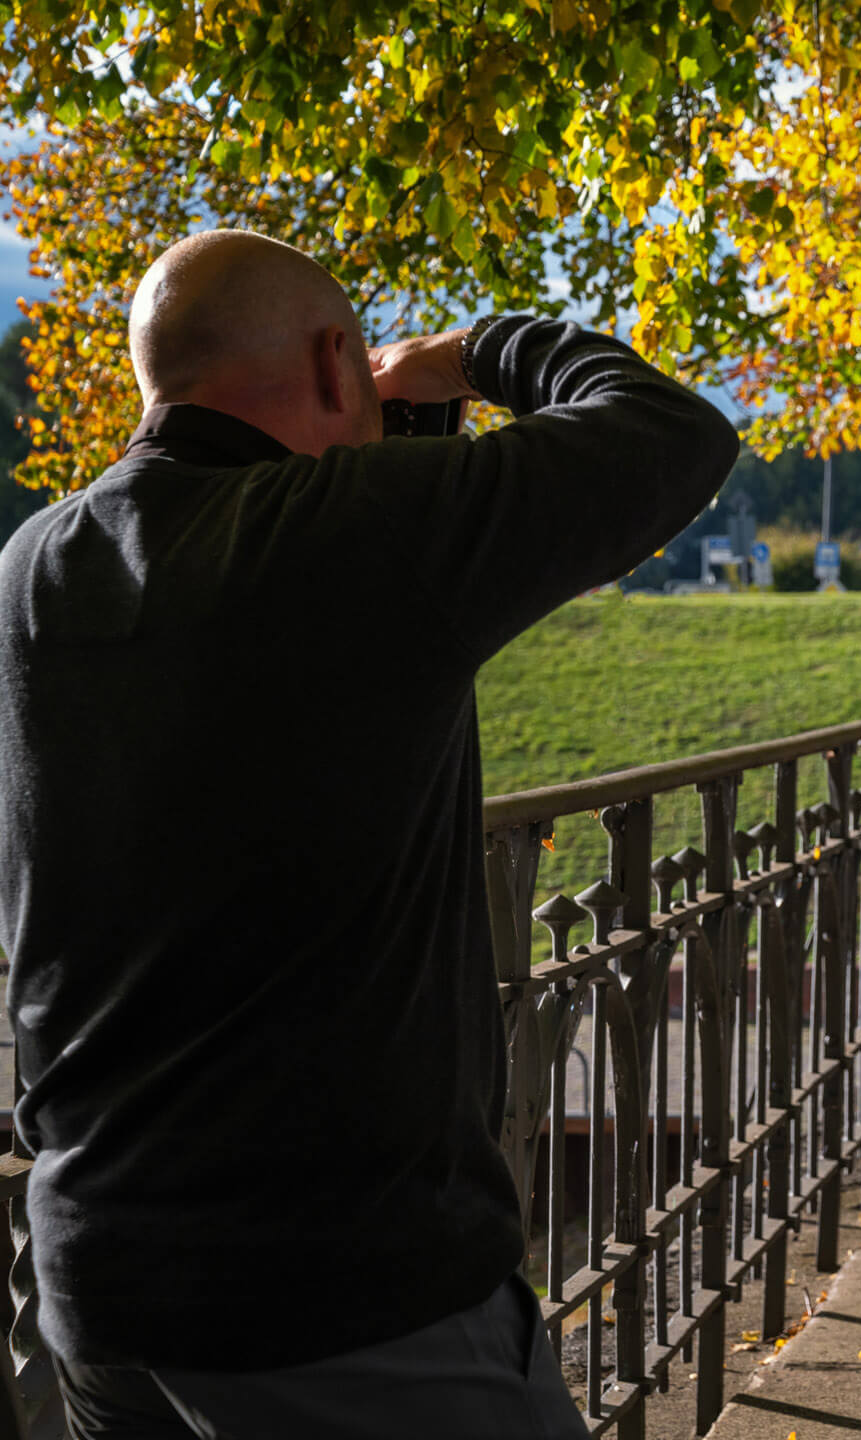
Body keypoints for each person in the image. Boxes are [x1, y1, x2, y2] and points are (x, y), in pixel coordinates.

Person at [0, 230, 739, 1438]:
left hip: (96, 1275)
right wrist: (467, 354)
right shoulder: (353, 530)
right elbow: (672, 433)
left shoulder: (32, 566)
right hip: (342, 1298)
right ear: (339, 363)